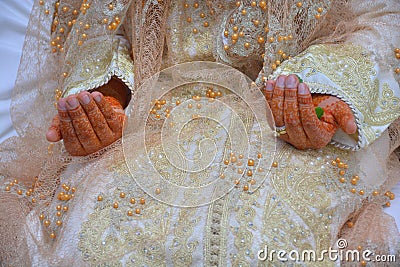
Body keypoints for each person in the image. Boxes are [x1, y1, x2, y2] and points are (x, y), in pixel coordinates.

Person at [1, 0, 400, 265]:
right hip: (150, 118)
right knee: (91, 238)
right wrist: (103, 99)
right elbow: (99, 23)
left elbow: (379, 16)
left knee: (271, 243)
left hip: (289, 124)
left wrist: (323, 91)